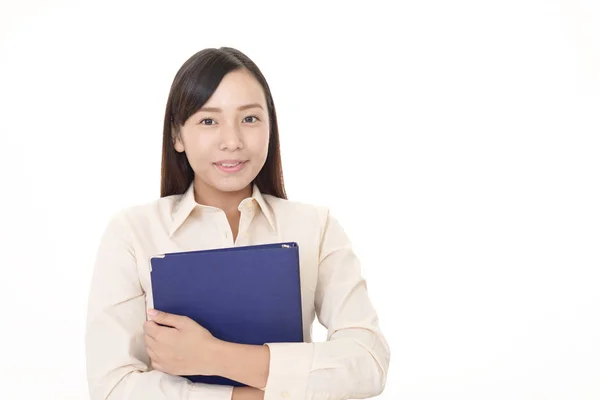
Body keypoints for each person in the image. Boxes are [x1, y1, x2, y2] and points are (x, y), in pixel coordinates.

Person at [85, 47, 390, 400]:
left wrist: (213, 355)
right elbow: (113, 387)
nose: (232, 141)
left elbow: (368, 363)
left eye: (249, 119)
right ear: (177, 136)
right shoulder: (133, 233)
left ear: (271, 127)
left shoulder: (315, 227)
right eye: (208, 120)